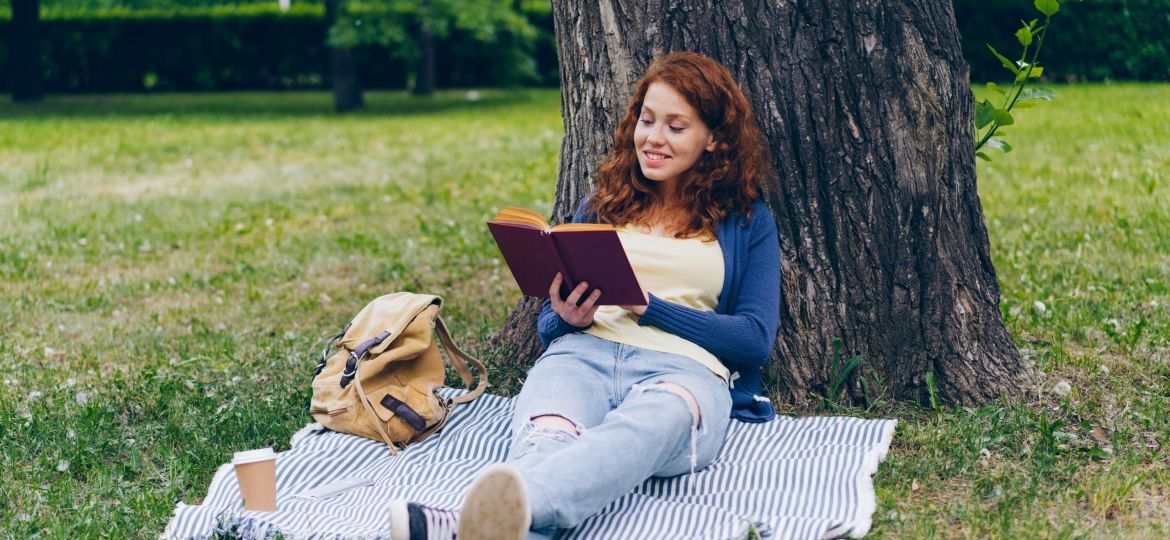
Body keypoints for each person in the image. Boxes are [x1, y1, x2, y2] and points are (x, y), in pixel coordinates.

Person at [389, 51, 781, 540]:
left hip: (682, 374)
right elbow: (547, 329)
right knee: (547, 438)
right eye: (647, 119)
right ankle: (498, 524)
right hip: (581, 356)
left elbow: (754, 339)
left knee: (647, 425)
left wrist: (649, 307)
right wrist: (566, 317)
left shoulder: (746, 220)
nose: (653, 138)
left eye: (676, 127)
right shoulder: (602, 204)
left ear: (714, 140)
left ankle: (465, 523)